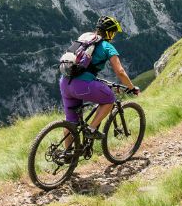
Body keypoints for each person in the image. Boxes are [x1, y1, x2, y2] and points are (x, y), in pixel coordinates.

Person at [59, 15, 139, 148]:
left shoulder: (85, 37)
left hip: (65, 81)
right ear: (109, 32)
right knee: (109, 99)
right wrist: (131, 87)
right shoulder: (107, 47)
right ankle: (91, 130)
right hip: (82, 86)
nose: (114, 36)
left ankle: (67, 153)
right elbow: (120, 72)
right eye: (113, 32)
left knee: (71, 123)